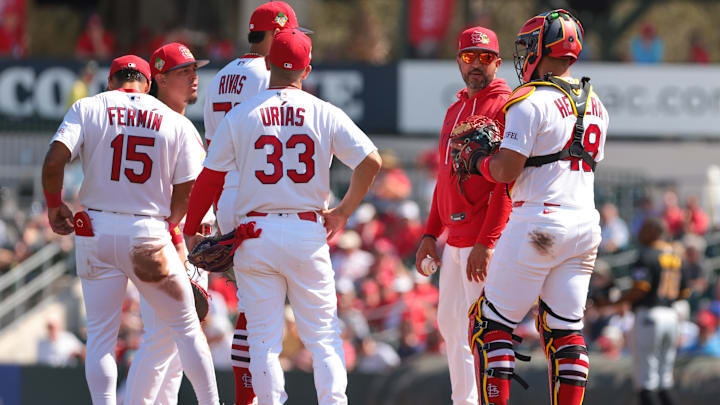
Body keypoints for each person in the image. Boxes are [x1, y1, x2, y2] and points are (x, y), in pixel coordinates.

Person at [183, 28, 382, 405]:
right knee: (322, 335)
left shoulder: (243, 113)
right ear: (306, 70)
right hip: (307, 230)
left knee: (263, 340)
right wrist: (342, 213)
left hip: (255, 233)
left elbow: (211, 177)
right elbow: (371, 161)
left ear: (269, 62)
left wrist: (193, 228)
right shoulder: (323, 111)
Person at [41, 55, 219, 405]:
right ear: (149, 83)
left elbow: (54, 160)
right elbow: (188, 187)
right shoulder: (173, 119)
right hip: (148, 229)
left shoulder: (89, 107)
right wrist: (169, 223)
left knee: (101, 339)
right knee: (186, 330)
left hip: (95, 228)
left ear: (111, 81)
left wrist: (52, 204)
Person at [465, 10, 608, 405]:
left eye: (529, 45)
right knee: (566, 330)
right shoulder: (597, 104)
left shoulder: (528, 100)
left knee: (488, 324)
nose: (524, 53)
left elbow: (506, 170)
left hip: (539, 220)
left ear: (543, 48)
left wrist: (479, 159)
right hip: (585, 226)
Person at [202, 2, 310, 403]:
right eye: (290, 34)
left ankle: (249, 397)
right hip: (256, 197)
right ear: (277, 32)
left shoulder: (221, 77)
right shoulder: (269, 73)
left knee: (252, 311)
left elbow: (214, 152)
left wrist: (210, 210)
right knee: (259, 317)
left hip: (228, 193)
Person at [414, 25, 511, 405]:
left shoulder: (506, 104)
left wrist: (487, 242)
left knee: (482, 330)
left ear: (498, 63)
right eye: (470, 56)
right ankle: (463, 400)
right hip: (453, 239)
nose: (477, 64)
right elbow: (444, 177)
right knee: (451, 326)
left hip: (484, 239)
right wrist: (428, 233)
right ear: (458, 60)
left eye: (485, 58)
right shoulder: (455, 110)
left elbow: (506, 182)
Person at [122, 42, 213, 405]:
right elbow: (166, 202)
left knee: (174, 350)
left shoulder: (172, 122)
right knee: (162, 340)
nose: (193, 77)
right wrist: (178, 246)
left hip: (183, 242)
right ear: (159, 77)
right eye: (183, 71)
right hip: (171, 242)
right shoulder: (164, 124)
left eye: (195, 69)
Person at [609, 218, 689, 405]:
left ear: (654, 231)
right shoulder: (677, 257)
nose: (639, 233)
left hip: (649, 316)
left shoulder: (646, 255)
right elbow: (684, 293)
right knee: (664, 381)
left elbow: (641, 288)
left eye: (644, 229)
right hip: (671, 315)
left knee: (646, 382)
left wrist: (618, 301)